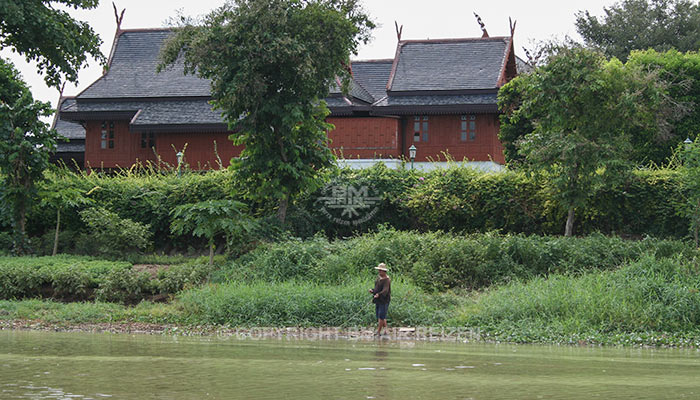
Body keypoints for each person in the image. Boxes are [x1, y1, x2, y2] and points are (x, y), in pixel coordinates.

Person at [369, 262, 391, 336]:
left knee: (381, 316)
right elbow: (377, 288)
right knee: (381, 315)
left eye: (380, 270)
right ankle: (386, 330)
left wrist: (379, 294)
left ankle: (378, 332)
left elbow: (385, 290)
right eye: (379, 270)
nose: (379, 272)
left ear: (384, 271)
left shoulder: (387, 280)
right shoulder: (378, 278)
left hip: (384, 300)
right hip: (378, 299)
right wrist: (373, 291)